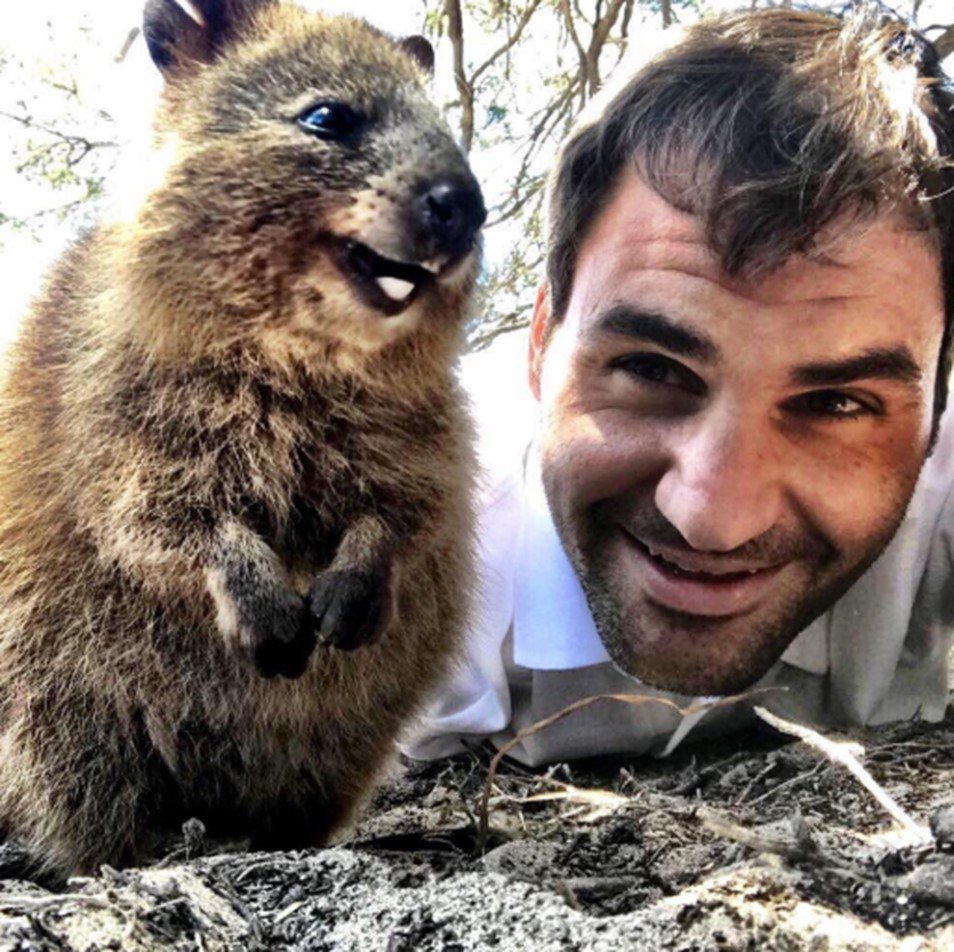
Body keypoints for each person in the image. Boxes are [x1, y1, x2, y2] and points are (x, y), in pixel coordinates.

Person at [406, 5, 954, 765]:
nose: (713, 520)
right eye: (653, 370)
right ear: (540, 346)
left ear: (937, 413)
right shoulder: (406, 564)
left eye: (835, 403)